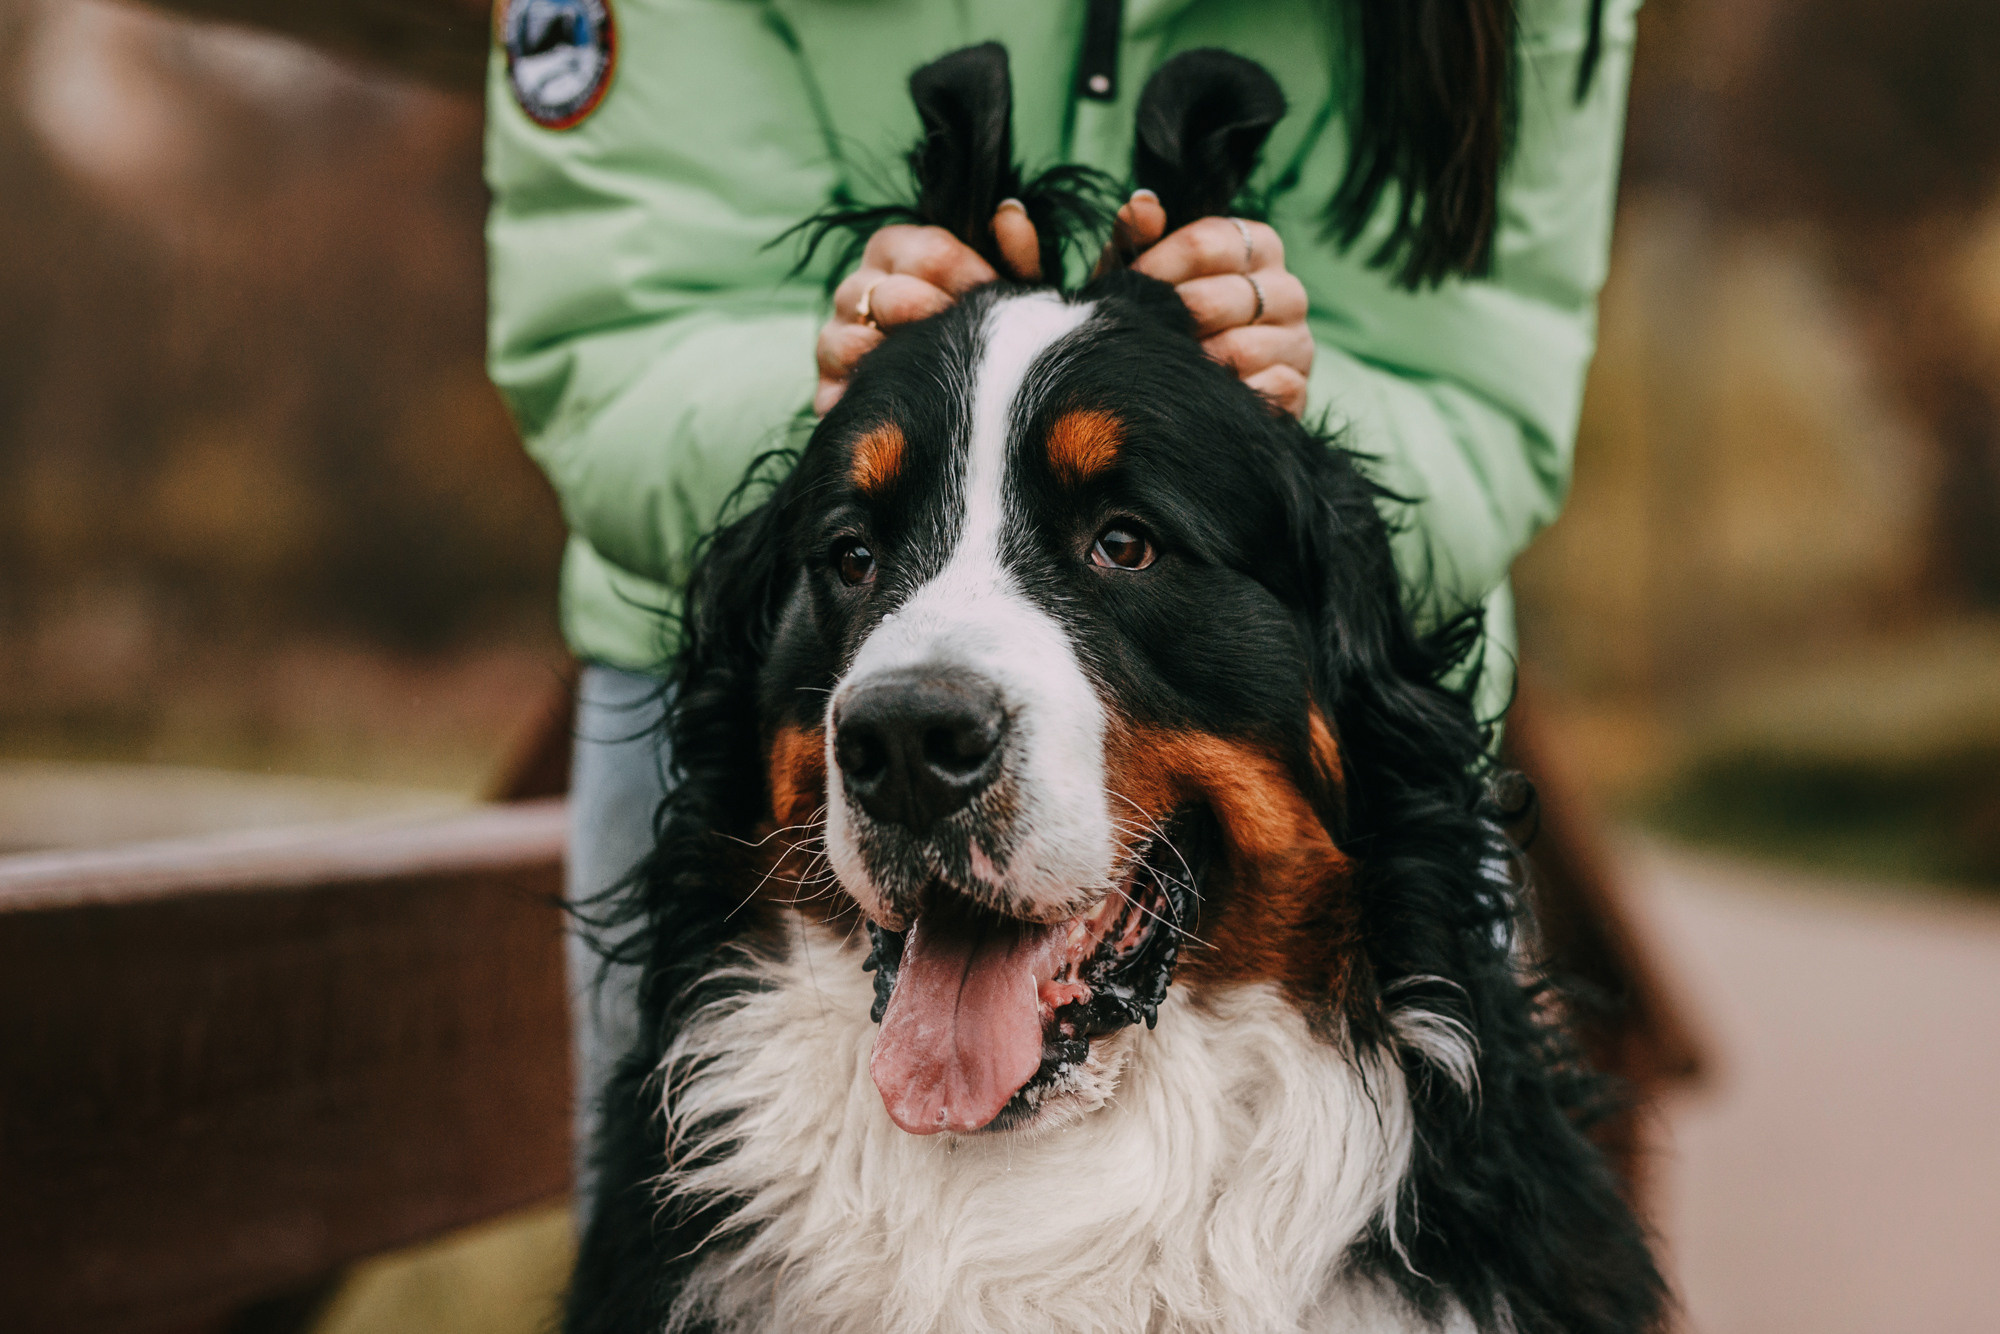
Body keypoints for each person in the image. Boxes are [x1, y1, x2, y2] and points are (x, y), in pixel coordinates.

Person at [483, 0, 1641, 1211]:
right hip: (733, 689)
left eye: (1124, 536)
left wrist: (1247, 404)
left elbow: (1480, 414)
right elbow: (608, 341)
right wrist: (846, 389)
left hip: (1352, 726)